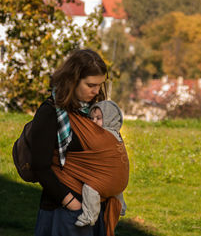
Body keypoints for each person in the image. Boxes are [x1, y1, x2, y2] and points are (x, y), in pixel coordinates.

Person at [31, 48, 129, 236]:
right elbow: (40, 166)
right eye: (91, 85)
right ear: (73, 81)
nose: (97, 90)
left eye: (100, 85)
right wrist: (71, 203)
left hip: (96, 209)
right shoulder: (50, 113)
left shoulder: (96, 112)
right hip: (64, 211)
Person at [75, 100, 127, 227]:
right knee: (115, 186)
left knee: (90, 187)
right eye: (91, 118)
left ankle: (89, 216)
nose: (93, 122)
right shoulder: (117, 136)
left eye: (98, 118)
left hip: (105, 181)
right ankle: (121, 206)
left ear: (110, 118)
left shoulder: (103, 135)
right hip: (120, 182)